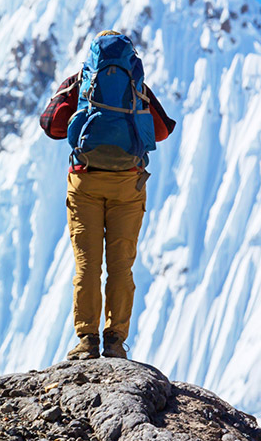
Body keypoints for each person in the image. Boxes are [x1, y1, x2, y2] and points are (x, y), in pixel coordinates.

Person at [40, 30, 176, 360]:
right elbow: (162, 129)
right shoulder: (136, 85)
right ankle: (115, 341)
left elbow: (51, 125)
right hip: (127, 186)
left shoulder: (81, 81)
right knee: (120, 266)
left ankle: (87, 340)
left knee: (87, 265)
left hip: (85, 182)